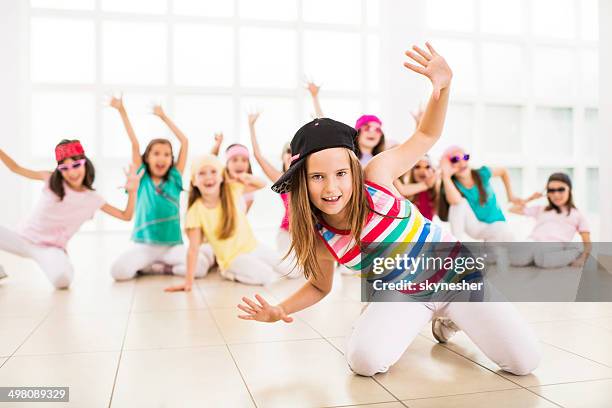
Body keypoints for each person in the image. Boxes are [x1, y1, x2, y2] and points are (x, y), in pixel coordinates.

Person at [237, 42, 540, 377]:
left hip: (457, 275)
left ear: (353, 171)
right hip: (403, 293)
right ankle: (389, 318)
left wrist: (442, 87)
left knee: (525, 363)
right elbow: (321, 286)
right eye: (318, 177)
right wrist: (280, 308)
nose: (332, 187)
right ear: (302, 183)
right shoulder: (320, 233)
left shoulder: (376, 177)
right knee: (365, 362)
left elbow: (426, 134)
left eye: (340, 174)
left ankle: (448, 320)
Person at [0, 140, 141, 288]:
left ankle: (62, 263)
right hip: (21, 238)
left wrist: (132, 192)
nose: (72, 172)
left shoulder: (93, 199)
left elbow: (126, 216)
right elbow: (15, 168)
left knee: (62, 280)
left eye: (76, 165)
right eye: (64, 168)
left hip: (50, 249)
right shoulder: (50, 179)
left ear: (84, 164)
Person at [109, 97, 206, 280]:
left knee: (199, 268)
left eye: (167, 155)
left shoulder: (175, 178)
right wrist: (122, 110)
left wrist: (163, 117)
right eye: (156, 154)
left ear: (171, 159)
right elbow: (134, 143)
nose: (161, 158)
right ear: (147, 158)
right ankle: (149, 265)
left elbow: (184, 142)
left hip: (171, 246)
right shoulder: (141, 177)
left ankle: (158, 269)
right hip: (144, 244)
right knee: (118, 272)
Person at [165, 155, 294, 291]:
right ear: (194, 182)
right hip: (232, 259)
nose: (208, 177)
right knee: (266, 275)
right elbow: (193, 250)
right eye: (202, 173)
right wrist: (188, 283)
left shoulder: (231, 190)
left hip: (253, 246)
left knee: (292, 270)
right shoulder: (195, 211)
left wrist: (244, 177)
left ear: (221, 177)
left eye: (213, 172)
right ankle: (228, 272)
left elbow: (262, 184)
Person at [438, 145, 521, 242]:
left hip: (497, 225)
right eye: (455, 160)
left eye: (465, 157)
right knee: (460, 203)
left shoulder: (481, 173)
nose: (462, 162)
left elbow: (503, 171)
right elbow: (456, 202)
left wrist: (510, 195)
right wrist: (446, 176)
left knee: (505, 235)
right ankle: (456, 247)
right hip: (476, 226)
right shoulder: (451, 184)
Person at [509, 172, 591, 268]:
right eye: (551, 190)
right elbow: (512, 209)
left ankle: (573, 253)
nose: (556, 194)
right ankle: (535, 257)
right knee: (515, 259)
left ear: (570, 189)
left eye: (561, 189)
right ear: (547, 193)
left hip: (556, 246)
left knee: (543, 260)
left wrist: (582, 259)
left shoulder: (577, 215)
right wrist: (531, 198)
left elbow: (587, 242)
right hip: (534, 242)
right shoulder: (541, 209)